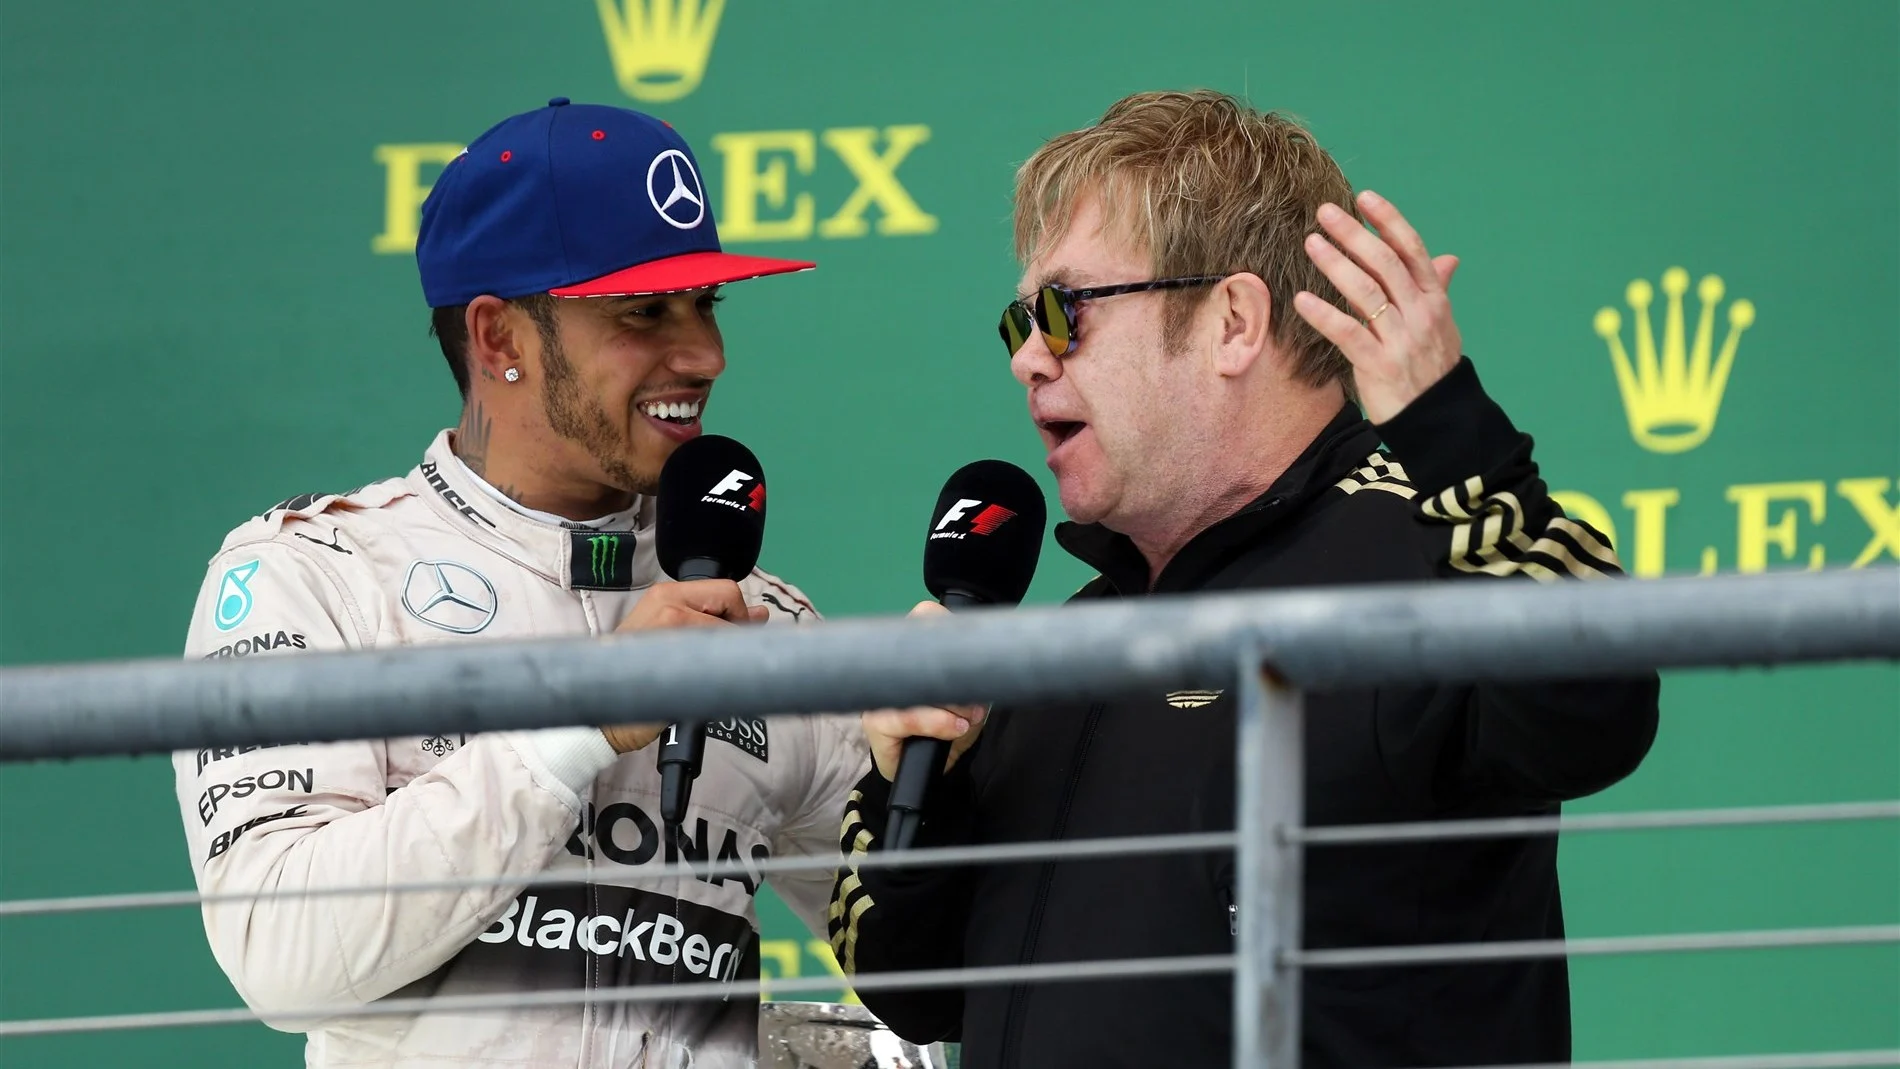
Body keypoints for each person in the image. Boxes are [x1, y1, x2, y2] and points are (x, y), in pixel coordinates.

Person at [831, 90, 1662, 1068]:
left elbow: (1598, 701)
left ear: (1232, 321)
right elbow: (903, 978)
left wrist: (1448, 433)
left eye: (1062, 310)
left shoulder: (1420, 562)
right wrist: (917, 786)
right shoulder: (1054, 649)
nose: (1025, 356)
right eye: (1017, 318)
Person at [171, 98, 866, 1069]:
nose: (705, 355)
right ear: (498, 339)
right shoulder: (313, 575)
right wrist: (578, 722)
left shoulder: (763, 624)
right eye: (643, 313)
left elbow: (925, 965)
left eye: (706, 304)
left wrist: (947, 777)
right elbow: (282, 958)